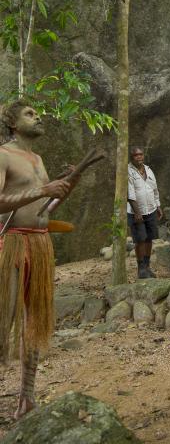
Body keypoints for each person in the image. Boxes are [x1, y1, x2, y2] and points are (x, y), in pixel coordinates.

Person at [0, 100, 75, 419]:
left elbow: (45, 211)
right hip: (14, 244)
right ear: (13, 123)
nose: (39, 115)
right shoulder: (3, 154)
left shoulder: (39, 159)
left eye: (38, 111)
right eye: (30, 113)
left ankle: (27, 397)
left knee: (36, 323)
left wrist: (63, 190)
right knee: (4, 320)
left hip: (40, 243)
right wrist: (45, 189)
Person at [127, 146, 163, 279]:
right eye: (136, 155)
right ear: (132, 157)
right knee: (140, 240)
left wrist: (158, 206)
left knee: (149, 238)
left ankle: (147, 266)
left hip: (151, 209)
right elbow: (129, 193)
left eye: (141, 155)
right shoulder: (128, 171)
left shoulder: (148, 169)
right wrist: (137, 212)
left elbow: (154, 189)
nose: (139, 157)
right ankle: (141, 268)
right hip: (136, 212)